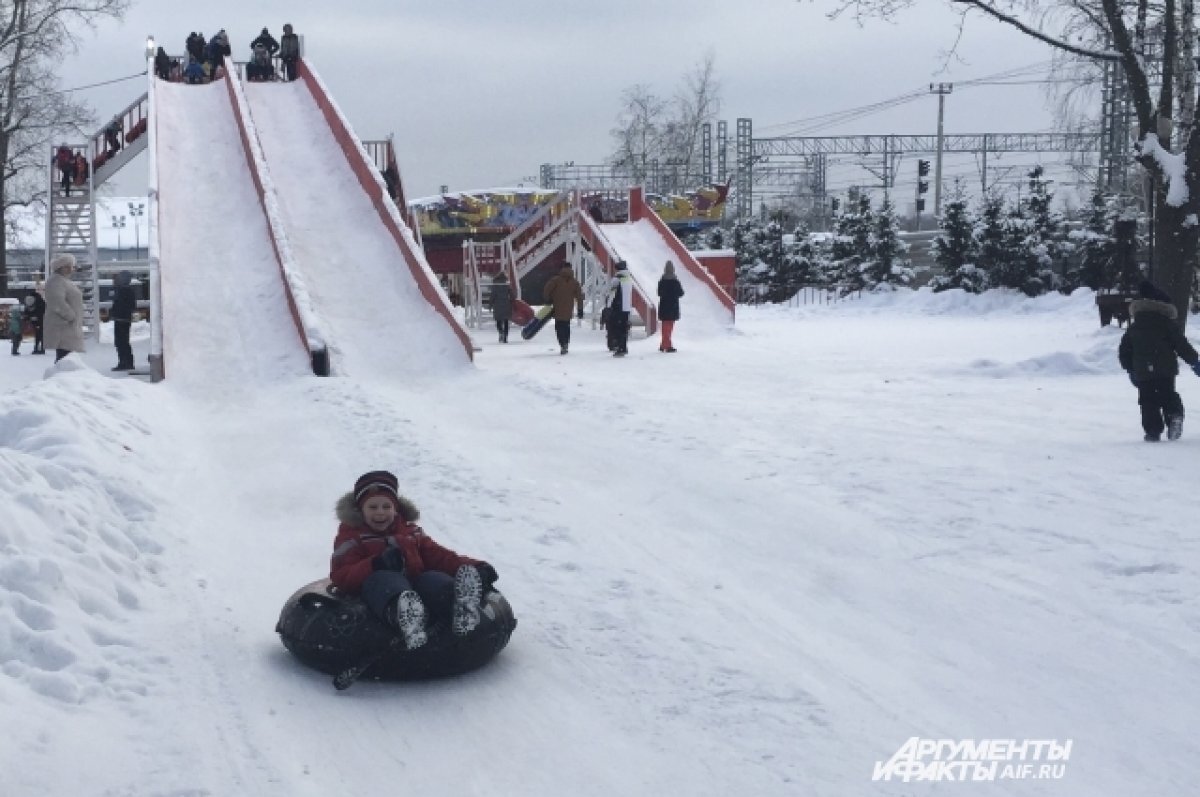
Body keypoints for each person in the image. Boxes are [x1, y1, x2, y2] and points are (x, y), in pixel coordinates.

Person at [329, 470, 499, 649]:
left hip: (416, 585)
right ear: (360, 510)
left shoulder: (411, 532)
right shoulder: (351, 538)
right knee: (385, 580)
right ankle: (405, 617)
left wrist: (475, 566)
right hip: (378, 592)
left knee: (432, 578)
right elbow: (341, 575)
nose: (380, 513)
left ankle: (459, 607)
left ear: (396, 508)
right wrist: (375, 564)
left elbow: (439, 556)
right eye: (373, 507)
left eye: (386, 507)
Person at [1119, 280, 1200, 441]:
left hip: (1142, 369)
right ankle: (1174, 415)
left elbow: (1124, 351)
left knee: (1147, 401)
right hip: (1165, 368)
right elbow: (1181, 344)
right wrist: (1194, 361)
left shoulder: (1134, 327)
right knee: (1168, 394)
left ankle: (1153, 430)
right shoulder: (1166, 324)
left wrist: (1130, 369)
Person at [44, 253, 85, 363]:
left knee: (66, 359)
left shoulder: (63, 281)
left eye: (71, 266)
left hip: (67, 328)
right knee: (64, 360)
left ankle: (63, 379)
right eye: (67, 266)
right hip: (63, 327)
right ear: (60, 268)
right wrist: (71, 316)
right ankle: (60, 379)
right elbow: (57, 302)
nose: (71, 269)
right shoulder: (56, 281)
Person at [542, 263, 584, 355]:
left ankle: (562, 344)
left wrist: (547, 299)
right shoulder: (575, 282)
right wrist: (580, 309)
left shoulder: (556, 280)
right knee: (566, 326)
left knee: (559, 327)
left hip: (557, 307)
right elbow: (579, 297)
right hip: (568, 308)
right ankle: (566, 343)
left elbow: (546, 289)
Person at [606, 261, 634, 357]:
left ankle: (619, 348)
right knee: (624, 328)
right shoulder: (628, 278)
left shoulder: (617, 279)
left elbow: (612, 293)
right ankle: (624, 347)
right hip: (626, 307)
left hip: (618, 307)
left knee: (617, 328)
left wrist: (608, 305)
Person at [110, 271, 136, 371]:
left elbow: (115, 298)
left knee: (121, 342)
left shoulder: (124, 290)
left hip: (122, 319)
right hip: (123, 318)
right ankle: (126, 362)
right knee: (122, 342)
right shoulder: (125, 290)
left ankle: (125, 363)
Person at [657, 260, 684, 353]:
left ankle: (663, 344)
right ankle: (667, 345)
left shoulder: (662, 281)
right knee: (669, 327)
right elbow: (681, 293)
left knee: (665, 326)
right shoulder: (675, 281)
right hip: (673, 306)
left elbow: (659, 293)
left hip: (664, 306)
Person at [491, 271, 513, 343]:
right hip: (506, 304)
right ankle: (505, 336)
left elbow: (493, 295)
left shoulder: (495, 284)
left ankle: (501, 332)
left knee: (498, 320)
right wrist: (513, 300)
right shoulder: (507, 284)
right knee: (506, 321)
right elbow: (511, 294)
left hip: (497, 304)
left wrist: (490, 304)